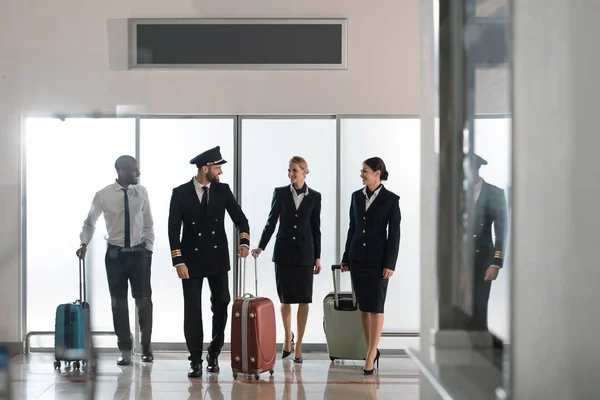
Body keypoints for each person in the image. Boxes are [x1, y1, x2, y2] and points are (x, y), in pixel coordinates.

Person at [168, 146, 250, 378]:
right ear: (206, 169)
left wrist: (243, 242)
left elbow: (241, 220)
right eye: (218, 167)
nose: (221, 172)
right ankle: (195, 359)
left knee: (222, 303)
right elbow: (173, 231)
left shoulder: (223, 191)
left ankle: (214, 351)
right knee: (192, 309)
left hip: (217, 258)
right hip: (190, 261)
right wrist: (178, 261)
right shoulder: (180, 193)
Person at [76, 155, 155, 366]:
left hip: (139, 254)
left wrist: (149, 249)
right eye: (134, 170)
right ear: (121, 172)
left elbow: (148, 223)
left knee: (144, 302)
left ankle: (146, 347)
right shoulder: (103, 195)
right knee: (118, 303)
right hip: (115, 256)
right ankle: (125, 349)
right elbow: (90, 222)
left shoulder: (142, 192)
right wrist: (84, 244)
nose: (138, 173)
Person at [251, 156, 322, 363]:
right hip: (283, 252)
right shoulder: (280, 193)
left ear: (304, 171)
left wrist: (318, 257)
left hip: (305, 254)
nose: (290, 174)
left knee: (304, 298)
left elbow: (316, 229)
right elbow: (271, 222)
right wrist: (261, 246)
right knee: (285, 298)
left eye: (294, 171)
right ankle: (287, 336)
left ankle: (299, 343)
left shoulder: (315, 197)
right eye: (289, 171)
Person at [340, 157, 401, 375]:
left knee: (376, 306)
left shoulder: (391, 200)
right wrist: (346, 257)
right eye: (361, 170)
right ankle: (371, 350)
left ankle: (371, 352)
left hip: (378, 262)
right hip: (357, 259)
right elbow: (352, 228)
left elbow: (394, 235)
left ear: (377, 173)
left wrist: (390, 263)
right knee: (364, 307)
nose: (361, 174)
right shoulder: (356, 197)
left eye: (365, 170)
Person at [470, 154, 508, 329]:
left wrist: (496, 262)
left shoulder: (495, 193)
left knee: (479, 306)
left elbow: (501, 231)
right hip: (458, 261)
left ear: (476, 169)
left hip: (483, 259)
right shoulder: (454, 193)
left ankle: (479, 348)